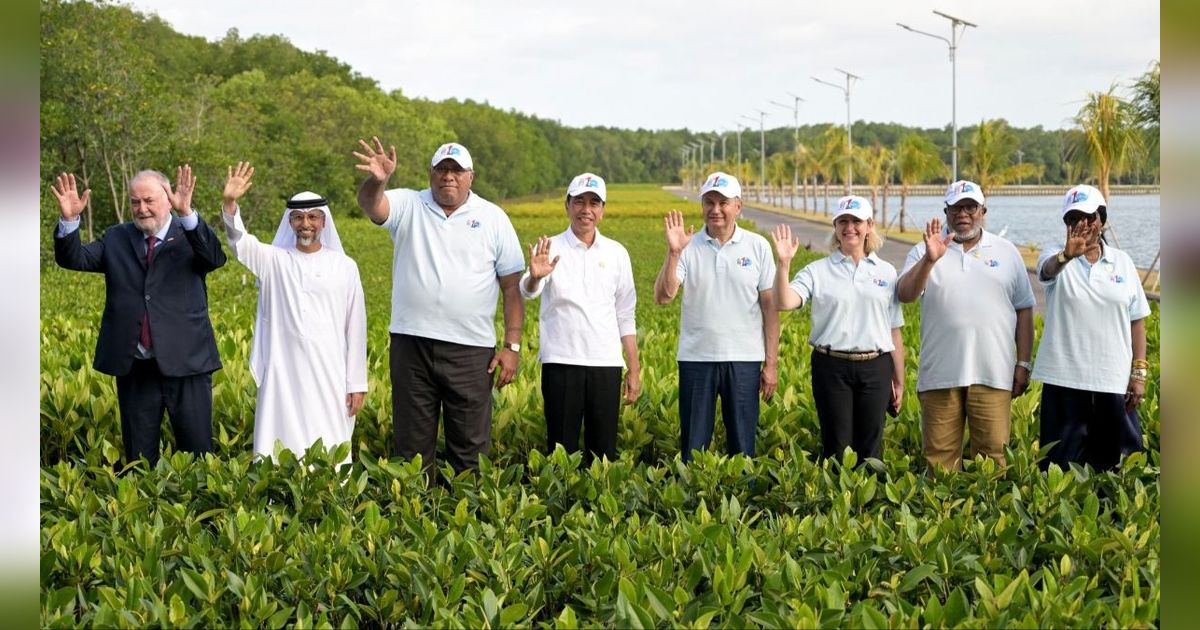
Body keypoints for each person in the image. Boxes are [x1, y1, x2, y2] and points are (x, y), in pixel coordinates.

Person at [353, 138, 524, 475]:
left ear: (470, 177)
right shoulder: (408, 204)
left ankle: (468, 519)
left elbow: (512, 287)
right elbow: (373, 205)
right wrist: (378, 180)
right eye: (442, 169)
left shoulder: (493, 218)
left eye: (456, 170)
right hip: (411, 344)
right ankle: (416, 515)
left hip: (471, 350)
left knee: (471, 447)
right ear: (430, 174)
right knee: (412, 446)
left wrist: (512, 346)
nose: (449, 176)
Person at [50, 167, 226, 466]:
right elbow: (74, 258)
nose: (141, 208)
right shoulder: (117, 237)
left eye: (149, 200)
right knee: (139, 457)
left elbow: (214, 258)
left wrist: (188, 214)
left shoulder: (190, 234)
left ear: (168, 200)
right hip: (136, 365)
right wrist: (69, 221)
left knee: (198, 453)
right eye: (135, 202)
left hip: (187, 362)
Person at [218, 162, 368, 464]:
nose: (306, 223)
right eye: (298, 217)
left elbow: (357, 328)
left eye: (312, 217)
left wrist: (356, 384)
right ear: (290, 223)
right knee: (278, 443)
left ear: (324, 221)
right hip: (282, 375)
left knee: (330, 445)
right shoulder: (273, 261)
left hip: (331, 375)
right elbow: (239, 242)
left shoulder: (345, 267)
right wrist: (230, 203)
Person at [896, 180, 1035, 472]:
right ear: (946, 212)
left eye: (970, 207)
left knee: (993, 462)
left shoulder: (1007, 251)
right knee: (940, 464)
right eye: (956, 208)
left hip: (994, 374)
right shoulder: (925, 250)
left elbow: (1024, 309)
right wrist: (929, 260)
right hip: (940, 375)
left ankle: (989, 518)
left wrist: (1023, 363)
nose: (963, 214)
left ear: (983, 210)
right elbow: (905, 295)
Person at [653, 172, 779, 461]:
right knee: (693, 449)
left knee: (743, 448)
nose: (716, 209)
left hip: (745, 359)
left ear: (738, 206)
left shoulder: (757, 247)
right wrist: (674, 253)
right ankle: (691, 504)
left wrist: (770, 363)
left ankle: (743, 502)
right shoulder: (687, 246)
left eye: (723, 202)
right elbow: (664, 296)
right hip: (697, 359)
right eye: (709, 202)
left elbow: (770, 309)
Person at [772, 196, 905, 462]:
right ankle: (838, 501)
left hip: (876, 366)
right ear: (835, 226)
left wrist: (899, 380)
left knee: (871, 447)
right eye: (843, 221)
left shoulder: (887, 272)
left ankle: (868, 503)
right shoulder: (817, 270)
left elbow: (893, 330)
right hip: (831, 366)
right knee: (836, 445)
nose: (849, 227)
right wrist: (784, 264)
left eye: (856, 221)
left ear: (869, 225)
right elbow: (784, 301)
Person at [520, 173, 640, 463]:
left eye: (594, 203)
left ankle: (597, 504)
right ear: (567, 205)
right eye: (579, 202)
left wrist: (633, 368)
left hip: (606, 364)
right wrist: (535, 278)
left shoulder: (617, 253)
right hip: (561, 362)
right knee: (561, 451)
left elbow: (625, 313)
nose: (586, 209)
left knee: (604, 453)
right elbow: (528, 290)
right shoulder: (550, 248)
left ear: (602, 209)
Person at [1031, 184, 1151, 471]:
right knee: (1060, 468)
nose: (1082, 224)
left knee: (1117, 466)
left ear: (1103, 220)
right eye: (1073, 219)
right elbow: (1046, 272)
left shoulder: (1122, 262)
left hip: (1112, 380)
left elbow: (1137, 321)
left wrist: (1140, 373)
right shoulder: (1055, 257)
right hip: (1064, 382)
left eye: (1089, 217)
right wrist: (1067, 256)